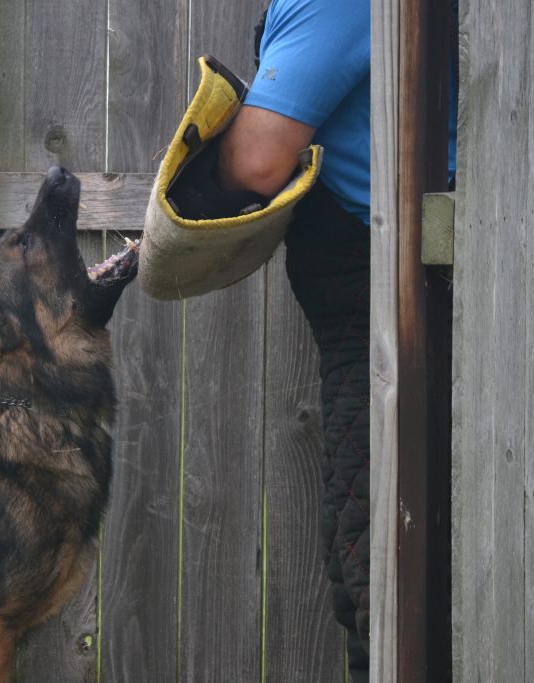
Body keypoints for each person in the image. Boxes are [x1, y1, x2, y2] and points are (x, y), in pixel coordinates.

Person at [215, 1, 374, 679]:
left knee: (376, 570)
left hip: (388, 315)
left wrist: (210, 160)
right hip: (374, 314)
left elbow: (257, 160)